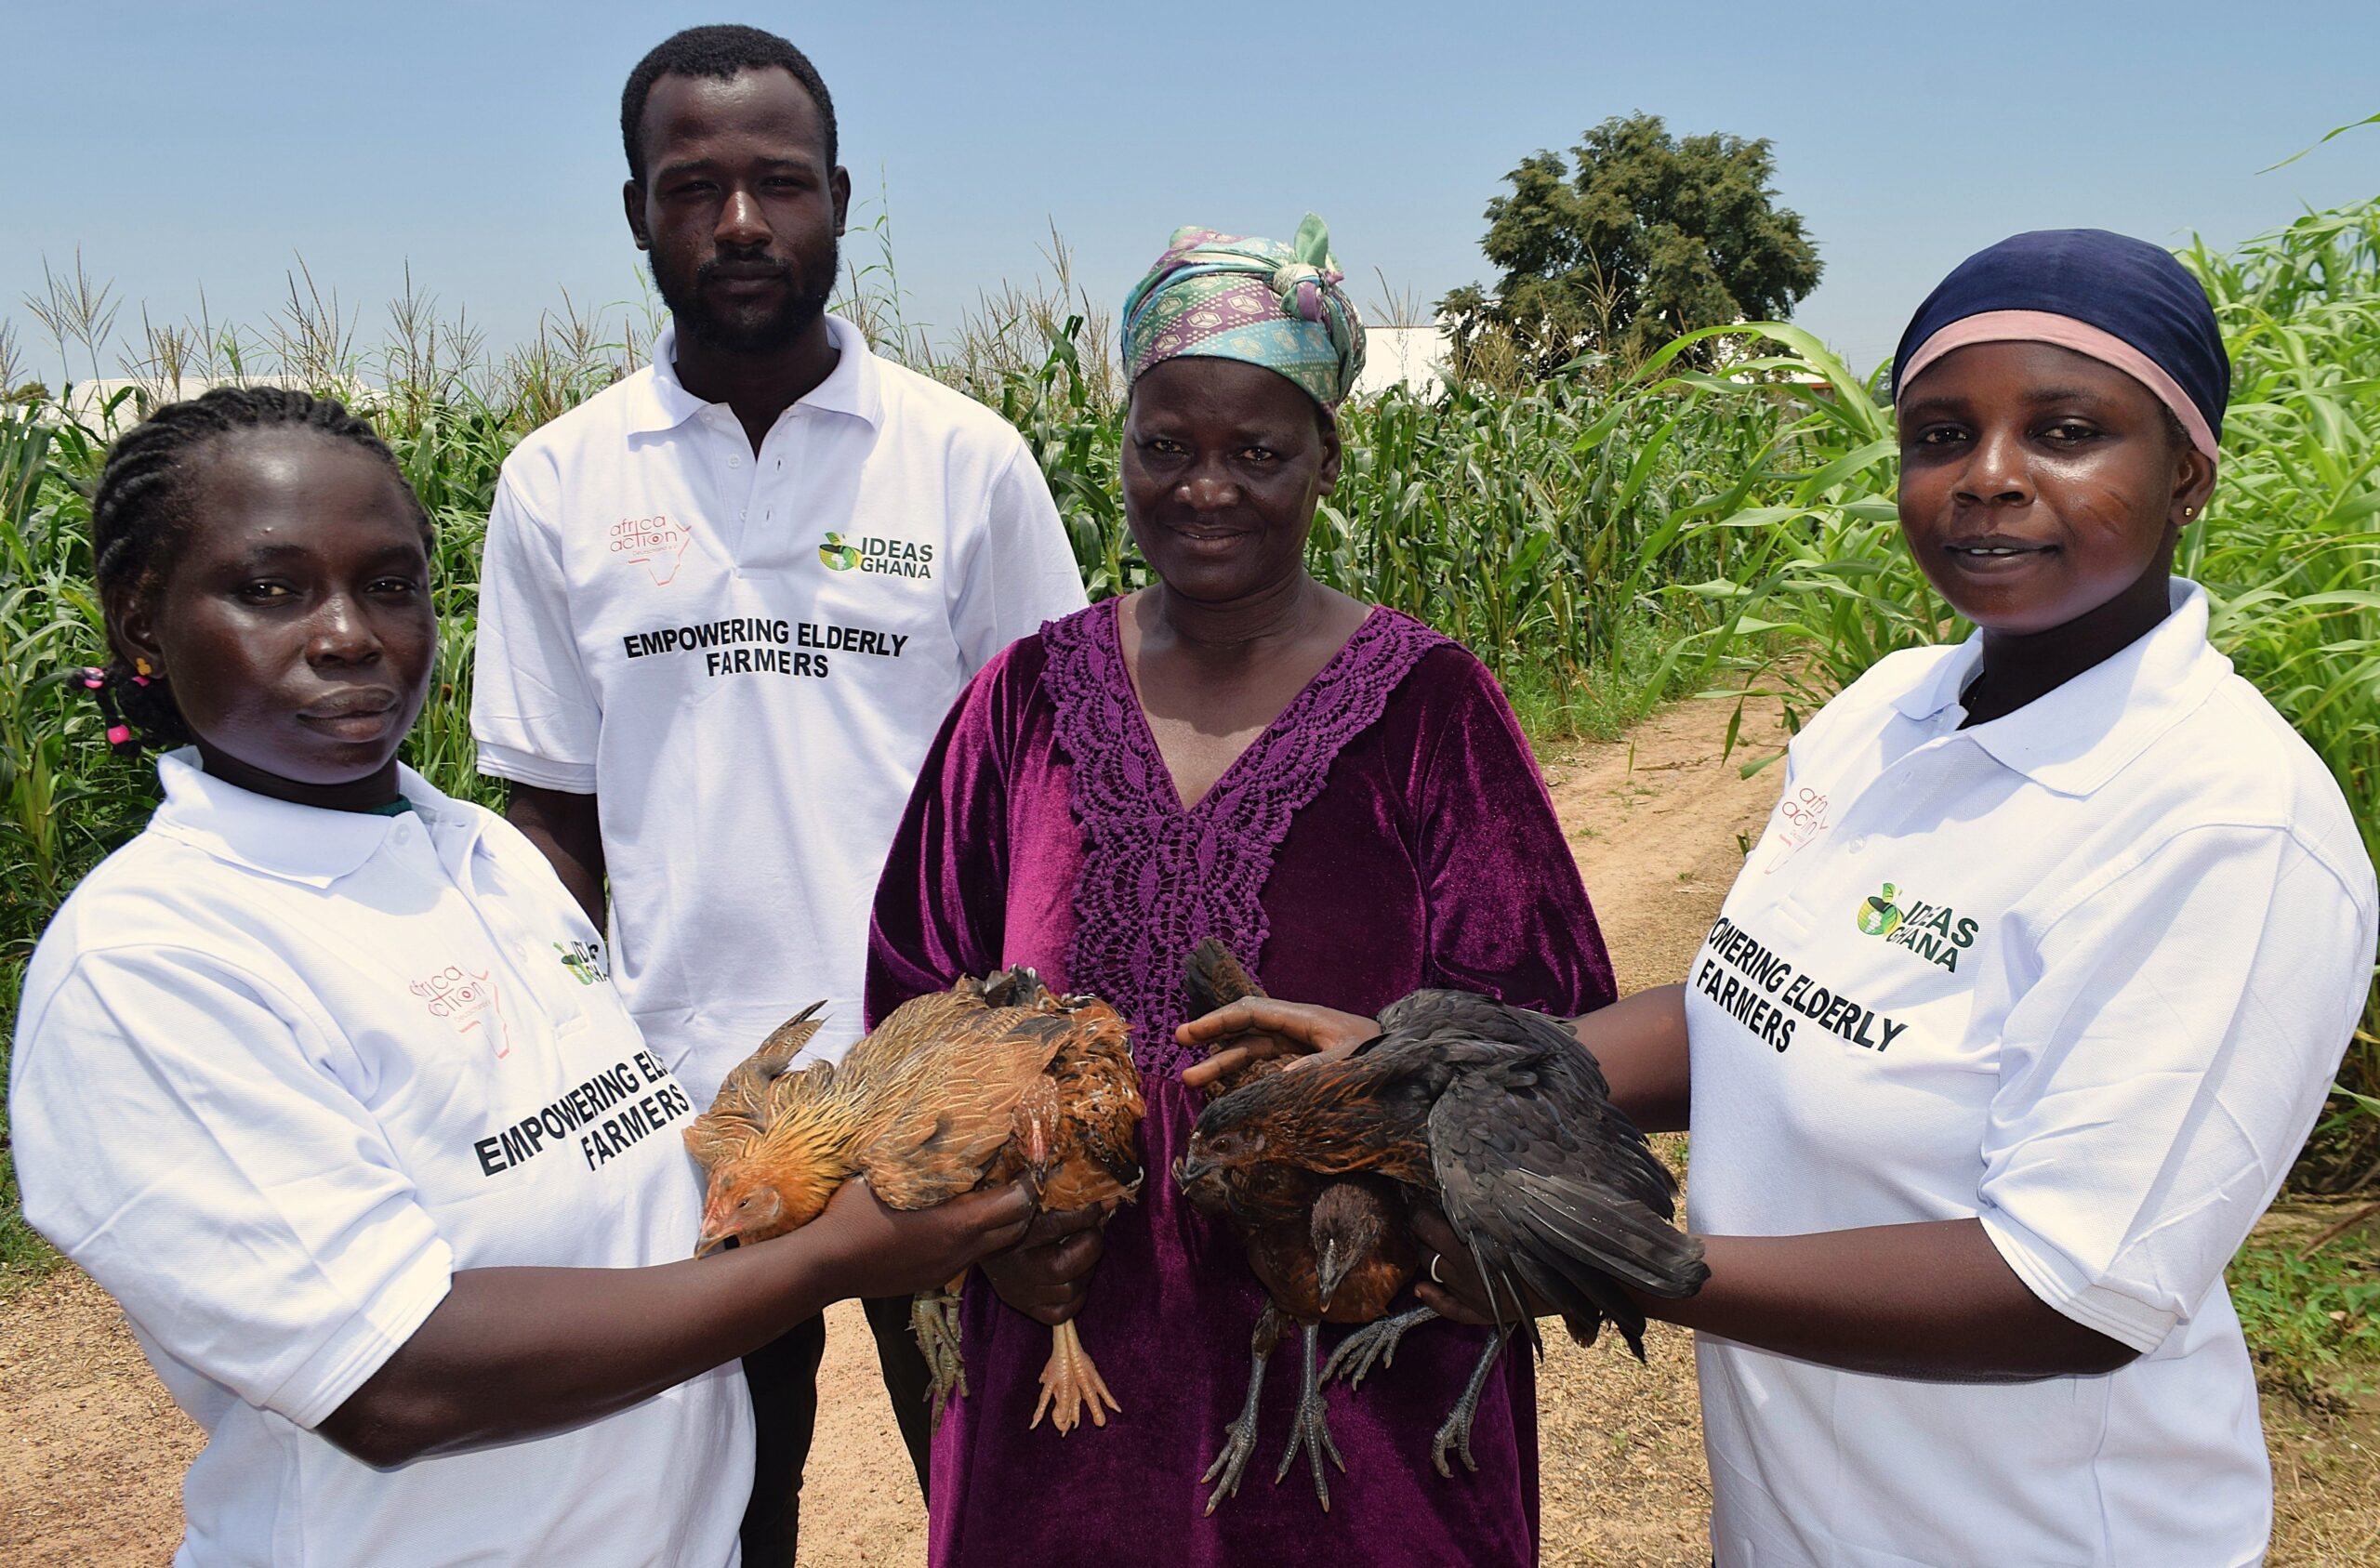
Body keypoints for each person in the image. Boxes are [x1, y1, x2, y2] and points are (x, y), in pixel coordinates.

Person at [1181, 230, 2380, 1567]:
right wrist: (1406, 1072)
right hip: (1796, 1521)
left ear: (2188, 474)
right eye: (1939, 433)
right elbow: (1754, 1012)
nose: (1988, 477)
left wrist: (1614, 1257)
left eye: (2066, 430)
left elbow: (2073, 1284)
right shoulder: (1885, 716)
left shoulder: (2222, 821)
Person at [7, 388, 1036, 1568]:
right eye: (271, 588)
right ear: (142, 621)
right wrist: (836, 1257)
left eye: (389, 584)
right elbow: (395, 1380)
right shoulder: (157, 961)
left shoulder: (485, 860)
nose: (349, 634)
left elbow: (614, 1181)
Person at [866, 217, 1617, 1567]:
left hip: (1356, 1371)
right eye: (1166, 445)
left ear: (1329, 456)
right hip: (1068, 1352)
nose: (1205, 488)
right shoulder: (1024, 701)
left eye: (1257, 452)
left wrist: (1390, 1122)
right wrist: (984, 1233)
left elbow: (1554, 1024)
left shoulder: (1429, 710)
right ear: (1124, 446)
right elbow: (915, 989)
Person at [467, 24, 1088, 1559]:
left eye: (779, 184)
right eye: (694, 188)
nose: (739, 224)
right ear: (637, 215)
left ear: (840, 199)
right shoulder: (560, 479)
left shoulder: (963, 461)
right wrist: (570, 1106)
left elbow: (1064, 789)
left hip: (932, 1108)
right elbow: (552, 826)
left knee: (1000, 1490)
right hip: (695, 1129)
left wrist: (1034, 1078)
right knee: (714, 1513)